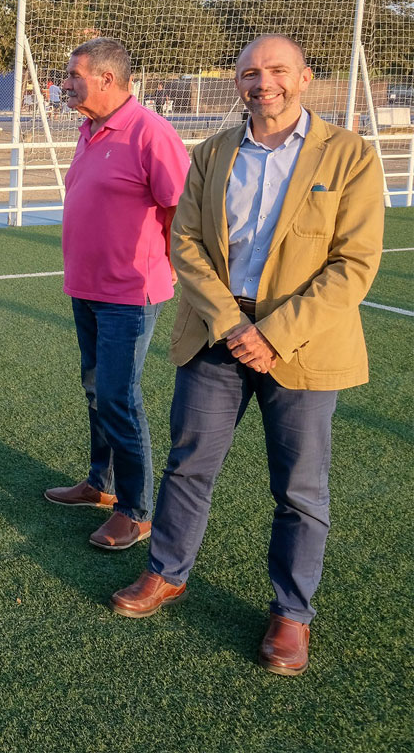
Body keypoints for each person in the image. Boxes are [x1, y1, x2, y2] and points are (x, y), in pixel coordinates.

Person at [110, 35, 385, 677]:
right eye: (251, 73)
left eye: (278, 71)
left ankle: (291, 613)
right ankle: (166, 572)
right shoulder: (212, 153)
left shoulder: (348, 155)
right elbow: (188, 241)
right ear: (237, 82)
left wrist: (274, 333)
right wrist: (234, 323)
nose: (264, 83)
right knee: (188, 465)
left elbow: (354, 264)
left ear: (305, 77)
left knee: (300, 488)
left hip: (303, 342)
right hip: (218, 331)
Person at [44, 37, 190, 550]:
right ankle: (98, 484)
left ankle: (136, 509)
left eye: (73, 73)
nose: (65, 82)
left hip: (130, 294)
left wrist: (164, 271)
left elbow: (181, 211)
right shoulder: (89, 129)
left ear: (107, 79)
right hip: (86, 287)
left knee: (117, 396)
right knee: (95, 389)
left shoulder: (151, 132)